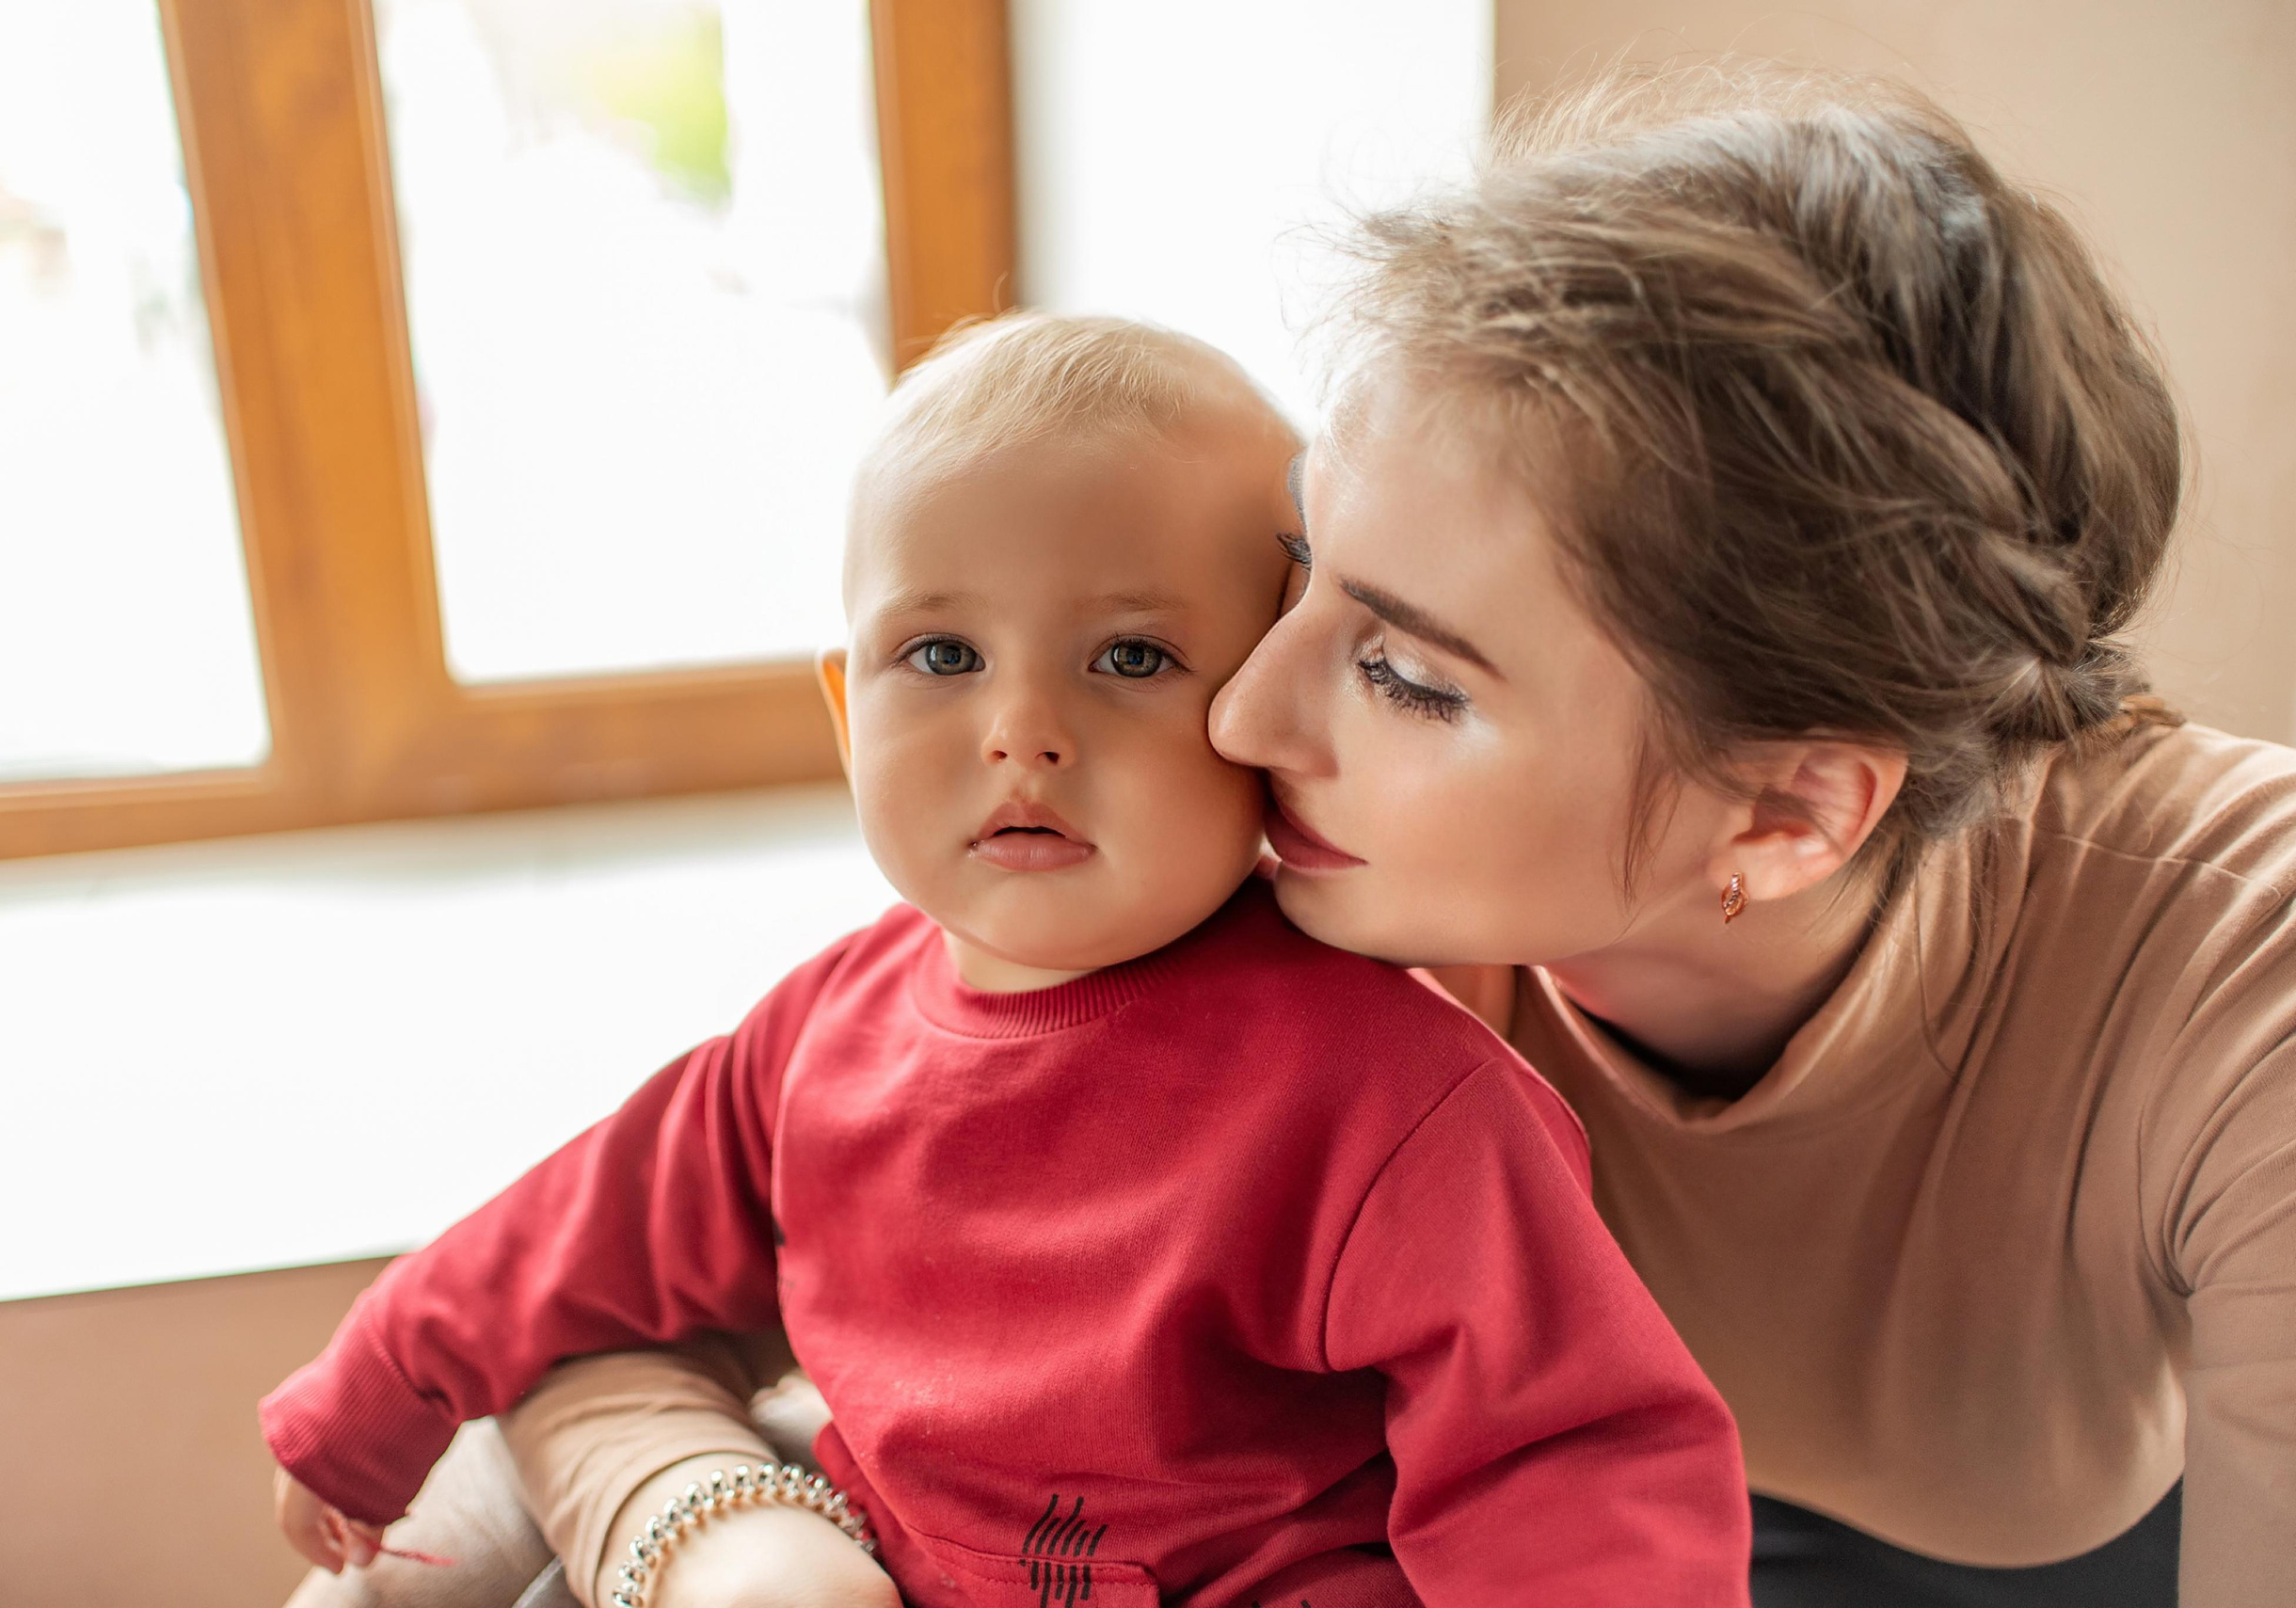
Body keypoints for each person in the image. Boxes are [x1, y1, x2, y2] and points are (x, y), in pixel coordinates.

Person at [279, 66, 2296, 1608]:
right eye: (1301, 579)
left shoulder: (2238, 980)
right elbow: (648, 1273)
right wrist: (712, 1537)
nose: (1238, 712)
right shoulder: (1247, 884)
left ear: (1777, 808)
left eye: (1408, 674)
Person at [261, 312, 1752, 1608]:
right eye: (944, 655)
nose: (1020, 731)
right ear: (850, 710)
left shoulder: (1395, 1102)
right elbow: (573, 1233)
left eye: (1128, 658)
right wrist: (371, 1394)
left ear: (1265, 707)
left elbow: (1575, 1461)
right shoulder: (818, 1035)